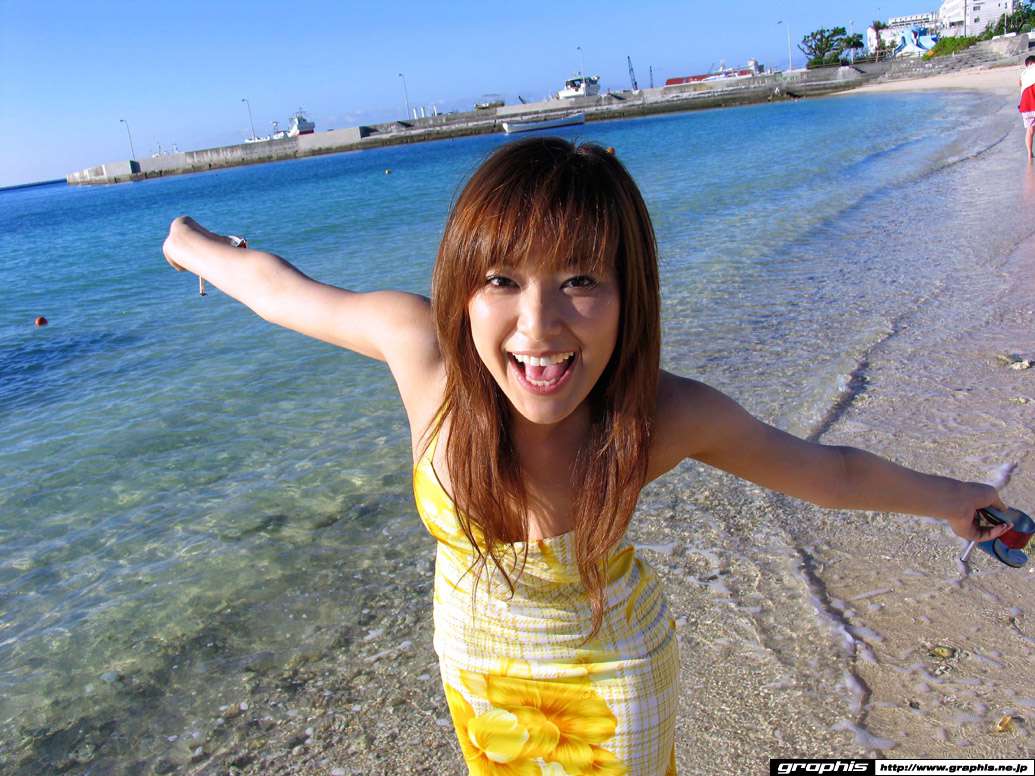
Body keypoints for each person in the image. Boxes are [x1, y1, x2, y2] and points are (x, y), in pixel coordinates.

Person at [162, 138, 1009, 776]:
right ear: (461, 287)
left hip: (613, 678)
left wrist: (954, 499)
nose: (537, 328)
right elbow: (277, 288)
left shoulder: (660, 415)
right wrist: (189, 243)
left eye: (579, 281)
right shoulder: (422, 355)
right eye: (501, 280)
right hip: (474, 672)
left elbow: (829, 474)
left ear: (629, 292)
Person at [1019, 54, 1035, 159]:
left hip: (1025, 106)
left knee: (1030, 130)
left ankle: (1029, 153)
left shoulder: (1023, 73)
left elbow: (1020, 85)